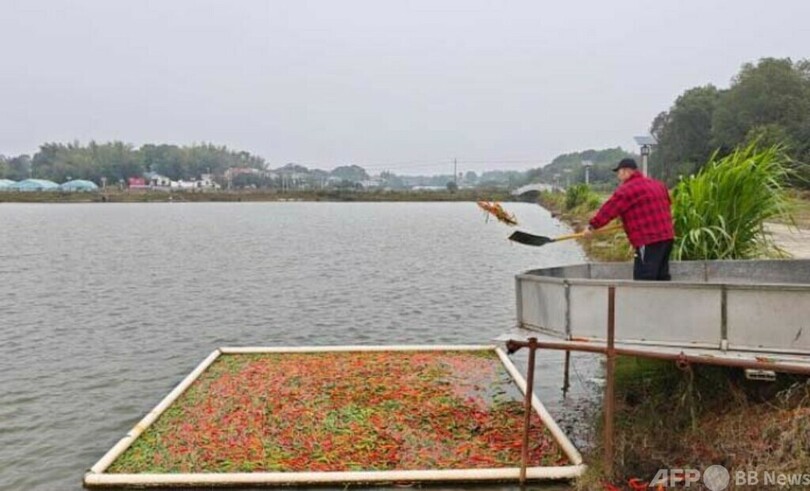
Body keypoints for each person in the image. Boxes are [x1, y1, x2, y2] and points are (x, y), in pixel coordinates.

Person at [583, 158, 674, 280]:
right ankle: (663, 299)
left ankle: (643, 299)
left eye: (618, 172)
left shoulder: (626, 190)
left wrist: (591, 226)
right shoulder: (658, 185)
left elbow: (609, 210)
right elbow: (666, 204)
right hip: (667, 237)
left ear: (626, 171)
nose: (618, 176)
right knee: (661, 276)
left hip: (648, 240)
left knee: (644, 278)